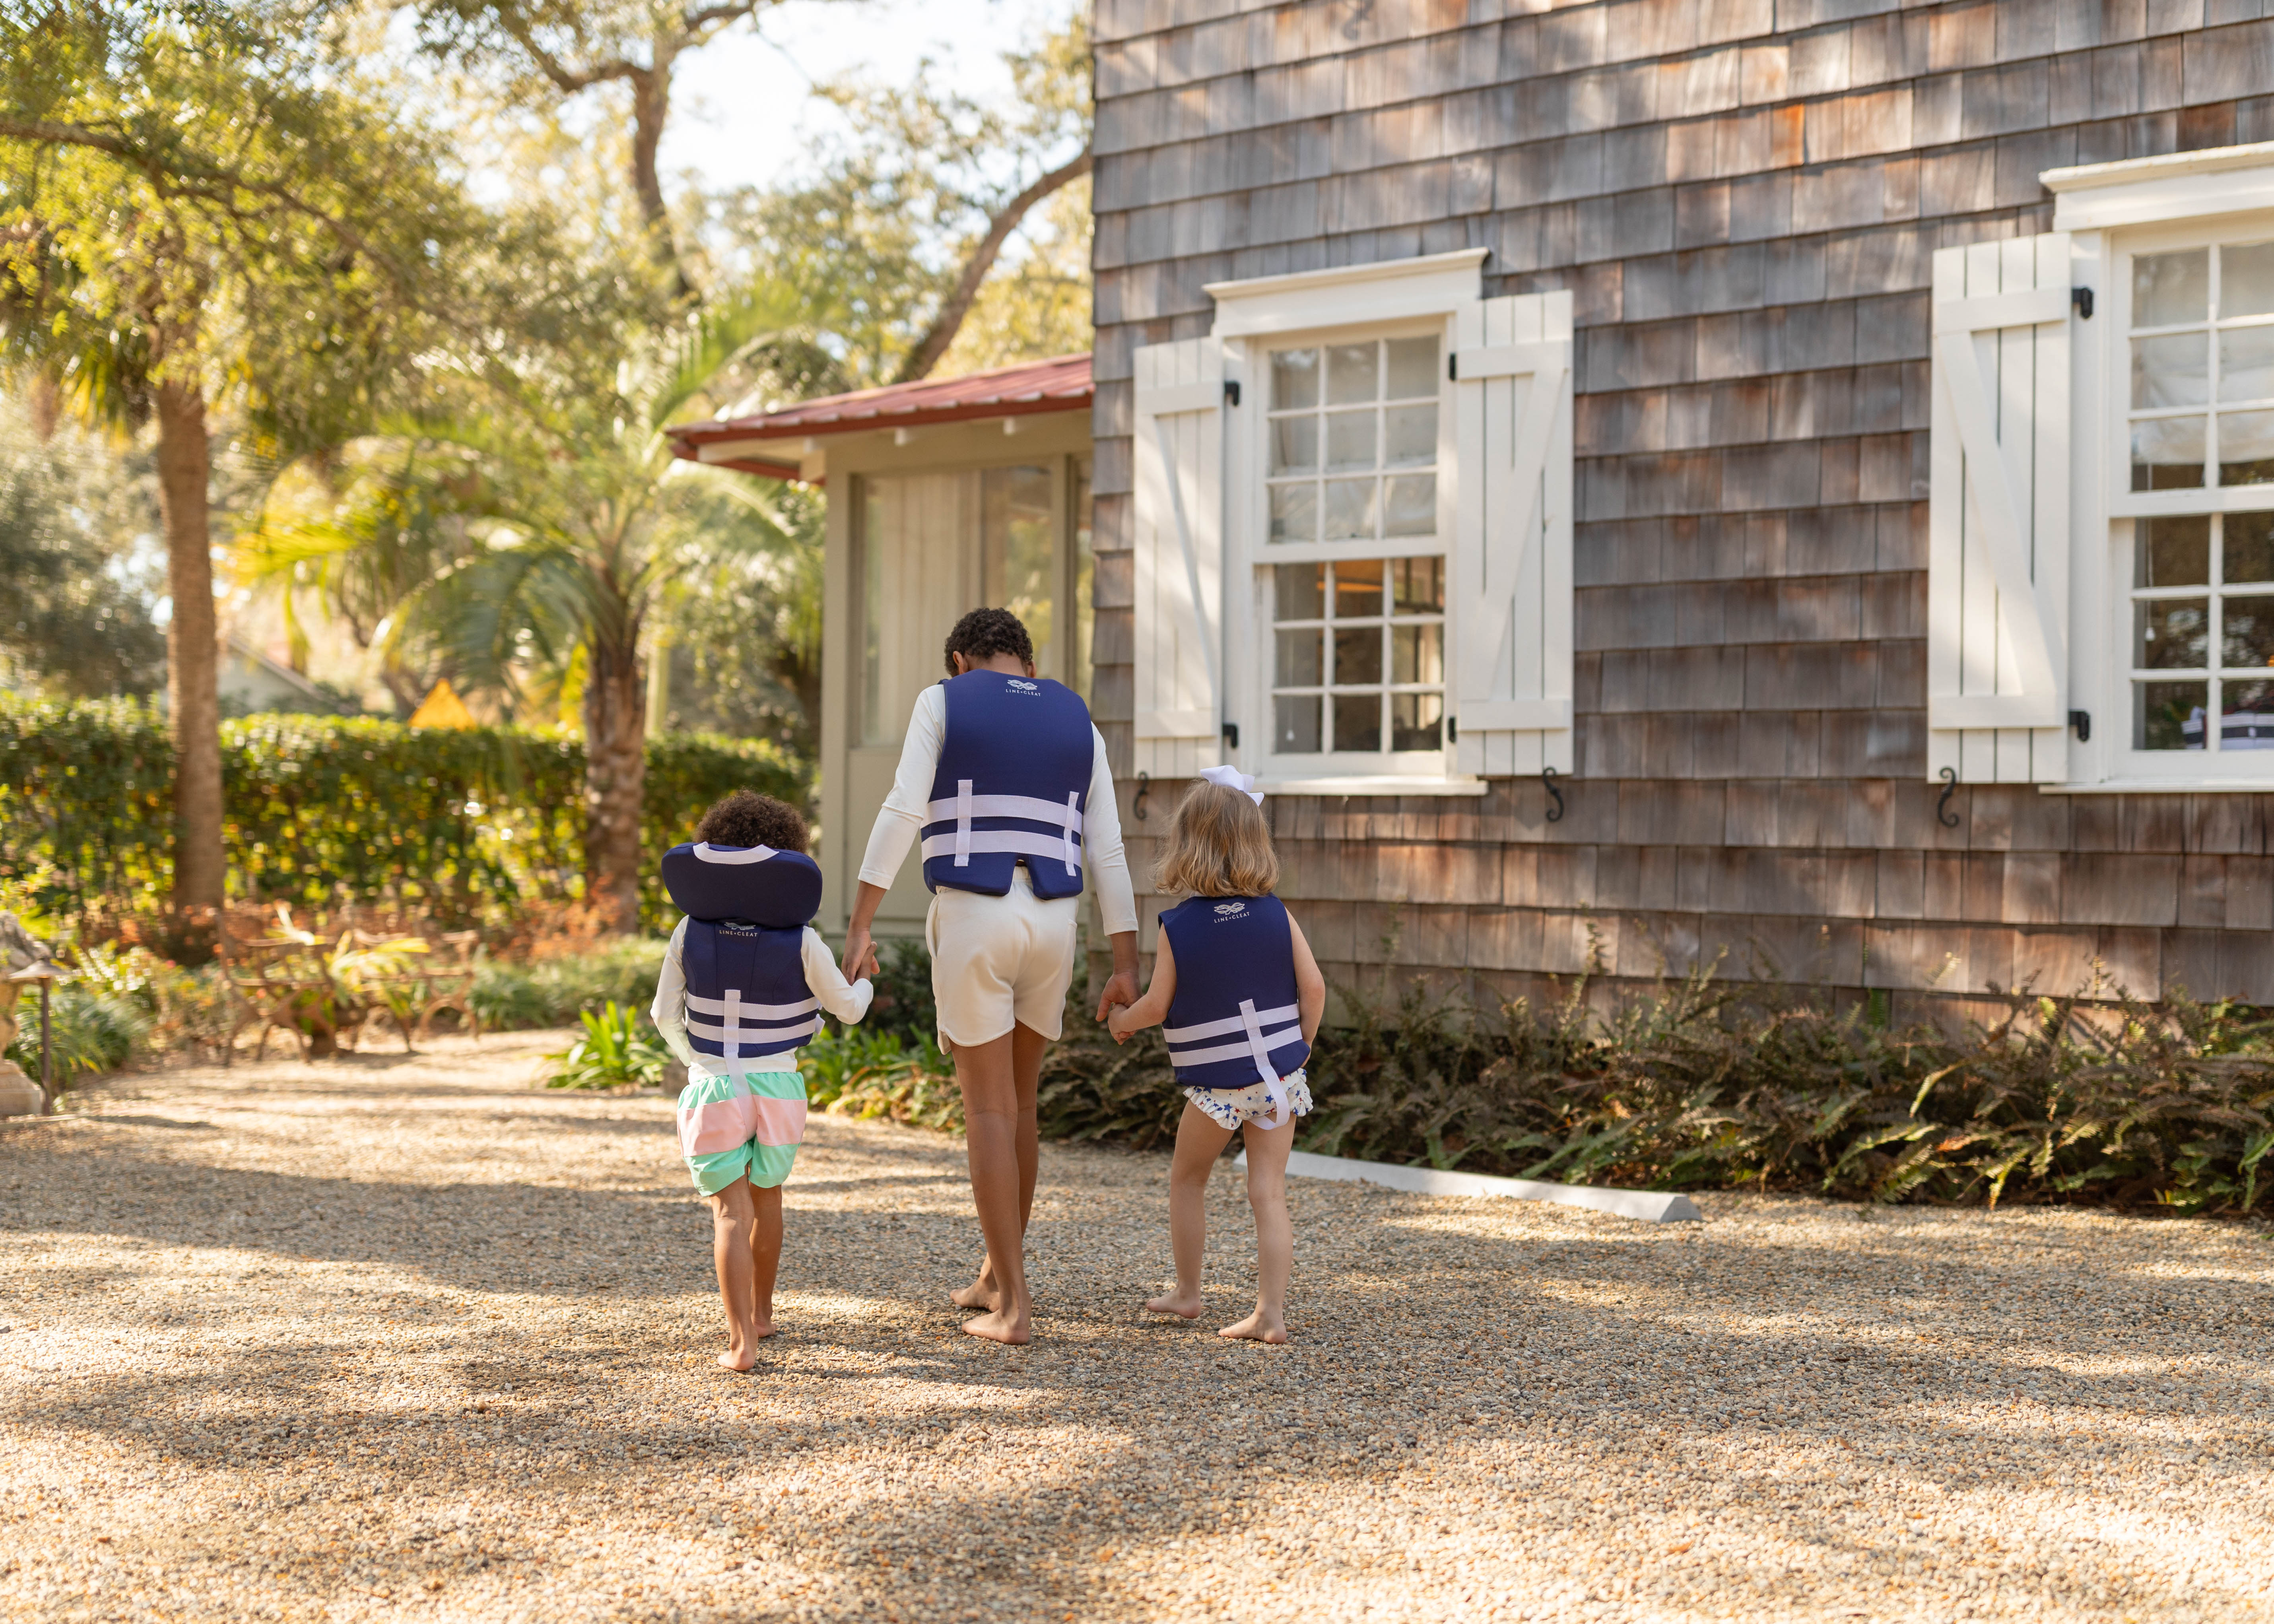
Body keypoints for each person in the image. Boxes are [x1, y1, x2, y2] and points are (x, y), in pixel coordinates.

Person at [839, 608, 1139, 1345]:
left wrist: (860, 920)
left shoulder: (943, 699)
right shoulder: (1079, 721)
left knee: (987, 1113)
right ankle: (995, 1278)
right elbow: (1108, 851)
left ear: (958, 660)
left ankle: (1016, 1310)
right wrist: (1128, 962)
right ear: (1029, 667)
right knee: (1023, 1107)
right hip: (1053, 927)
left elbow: (905, 807)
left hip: (977, 917)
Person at [651, 790, 873, 1372]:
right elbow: (848, 1008)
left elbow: (662, 1015)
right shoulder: (802, 939)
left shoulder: (687, 932)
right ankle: (764, 1312)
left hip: (715, 1089)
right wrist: (867, 976)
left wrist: (698, 1059)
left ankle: (740, 1343)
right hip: (778, 1090)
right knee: (768, 1198)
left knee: (730, 1212)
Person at [1107, 767, 1325, 1344]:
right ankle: (1270, 1314)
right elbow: (1316, 989)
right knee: (1268, 1192)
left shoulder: (1181, 926)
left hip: (1218, 1088)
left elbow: (1156, 1004)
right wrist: (1298, 1052)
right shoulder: (1278, 912)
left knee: (1188, 1178)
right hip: (1279, 1079)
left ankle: (1188, 1291)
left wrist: (1121, 1023)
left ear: (1188, 845)